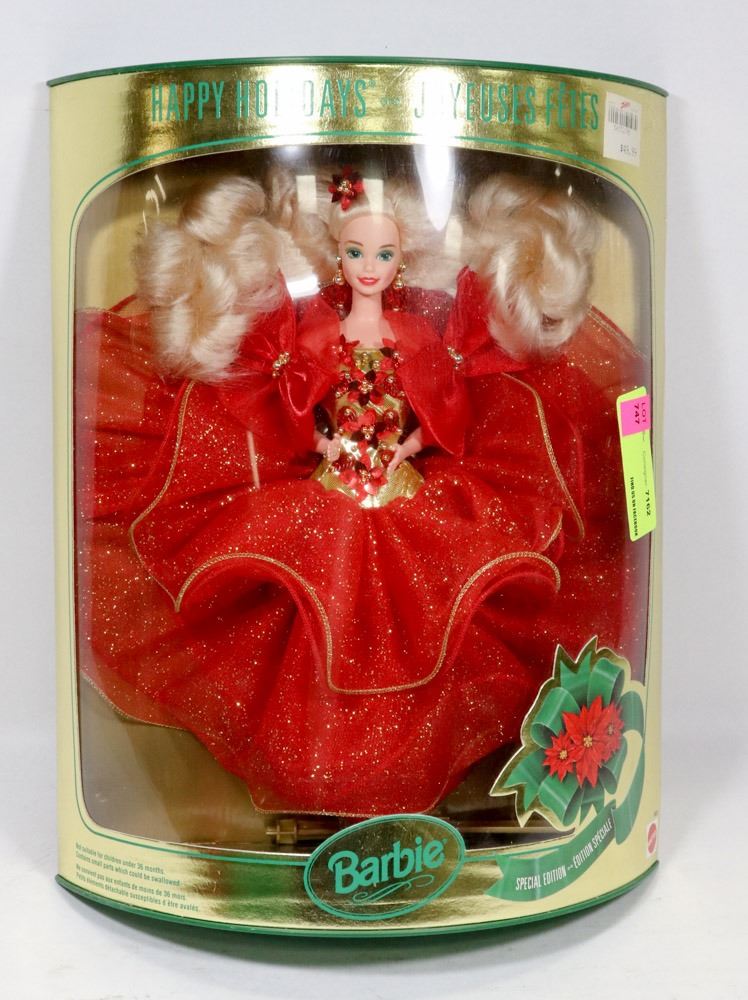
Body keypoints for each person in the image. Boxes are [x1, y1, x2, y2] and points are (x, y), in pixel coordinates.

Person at [75, 164, 646, 818]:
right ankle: (322, 770)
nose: (368, 267)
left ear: (403, 260)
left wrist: (409, 445)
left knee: (426, 615)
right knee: (311, 614)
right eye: (354, 253)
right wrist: (320, 443)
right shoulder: (319, 334)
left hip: (401, 485)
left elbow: (438, 405)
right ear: (337, 255)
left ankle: (393, 770)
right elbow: (294, 401)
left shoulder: (418, 337)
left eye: (382, 255)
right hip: (331, 482)